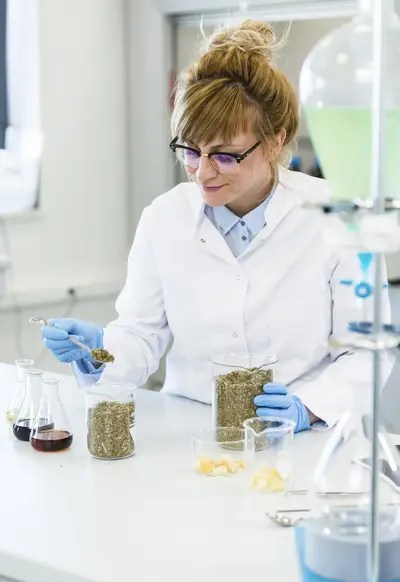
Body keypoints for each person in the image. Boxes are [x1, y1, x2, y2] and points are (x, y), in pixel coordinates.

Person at [41, 20, 392, 432]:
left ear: (276, 140)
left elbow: (368, 352)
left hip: (306, 442)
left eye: (225, 156)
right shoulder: (164, 218)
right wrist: (100, 350)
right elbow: (141, 335)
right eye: (191, 150)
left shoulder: (339, 215)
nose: (202, 172)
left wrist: (308, 407)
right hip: (194, 434)